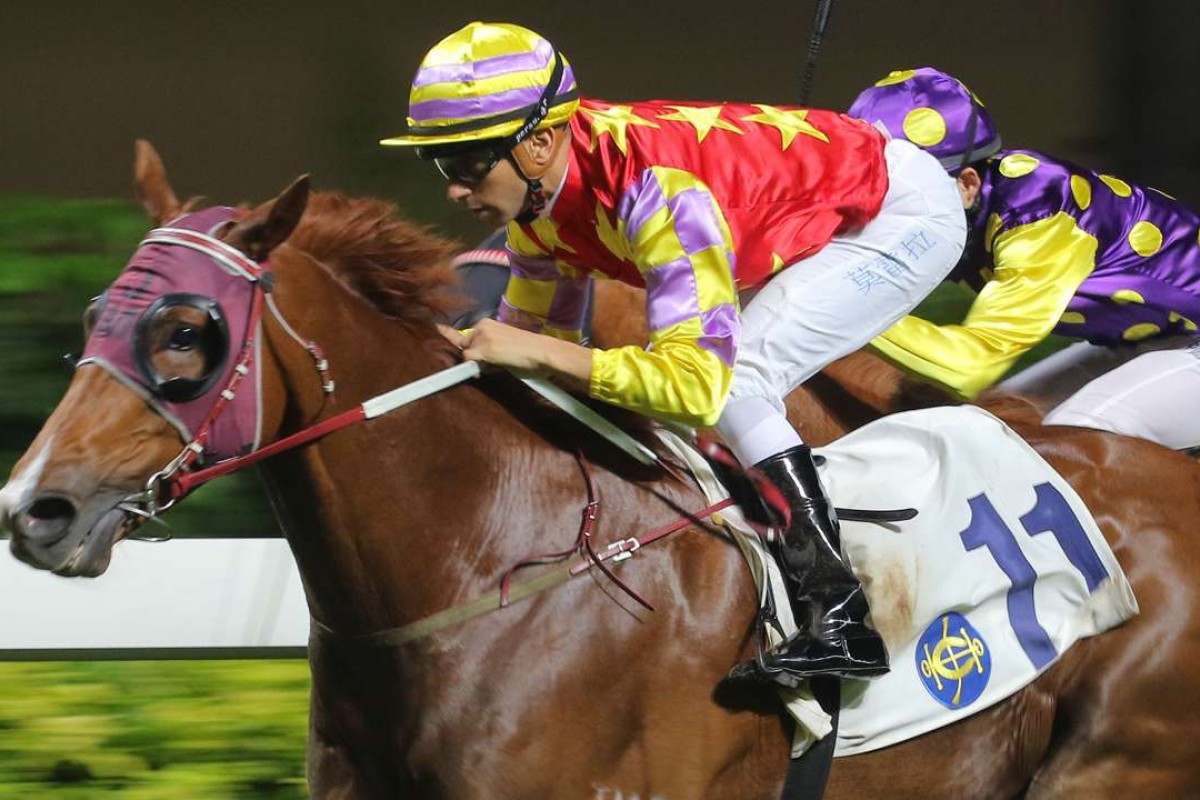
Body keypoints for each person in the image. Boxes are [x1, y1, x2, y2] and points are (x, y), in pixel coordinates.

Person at [381, 22, 966, 685]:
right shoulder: (541, 211)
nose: (454, 192)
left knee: (740, 381)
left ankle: (840, 616)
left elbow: (695, 388)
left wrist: (533, 351)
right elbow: (535, 358)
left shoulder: (657, 194)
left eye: (467, 164)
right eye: (442, 166)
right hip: (824, 193)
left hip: (899, 215)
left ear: (540, 144)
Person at [851, 68, 1200, 451]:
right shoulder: (968, 205)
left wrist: (836, 308)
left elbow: (968, 365)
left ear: (966, 184)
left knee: (1076, 438)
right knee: (994, 426)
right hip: (1147, 336)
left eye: (898, 191)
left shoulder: (1039, 217)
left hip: (1186, 339)